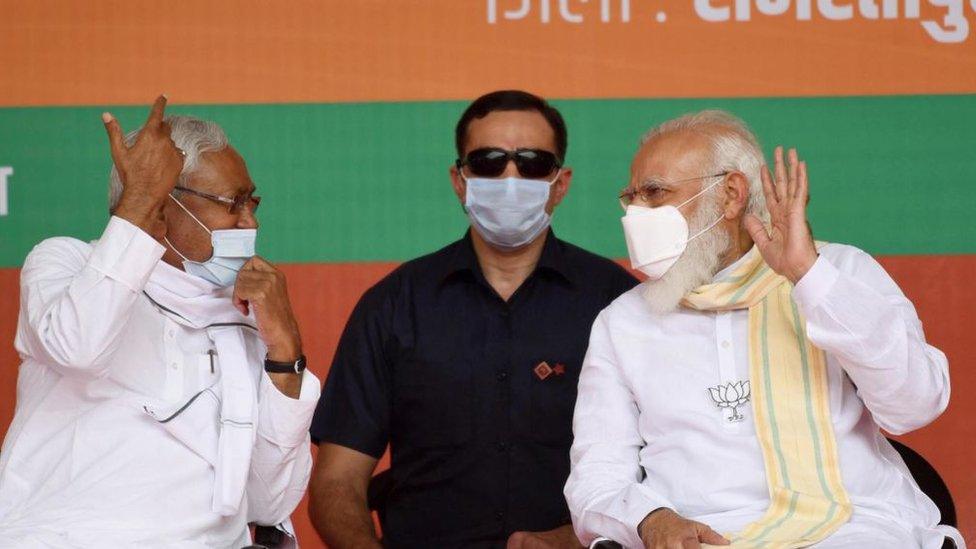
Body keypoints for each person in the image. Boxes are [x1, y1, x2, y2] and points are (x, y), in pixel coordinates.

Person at [564, 110, 963, 549]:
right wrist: (650, 519)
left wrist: (808, 278)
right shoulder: (625, 322)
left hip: (856, 529)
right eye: (631, 197)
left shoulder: (838, 272)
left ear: (731, 195)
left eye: (655, 193)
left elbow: (915, 405)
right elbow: (596, 475)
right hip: (704, 536)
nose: (637, 213)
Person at [308, 90, 637, 548]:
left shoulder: (617, 303)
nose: (509, 177)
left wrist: (574, 540)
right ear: (459, 181)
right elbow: (336, 482)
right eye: (487, 162)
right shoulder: (393, 305)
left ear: (560, 184)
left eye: (532, 163)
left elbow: (661, 469)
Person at [0, 96, 320, 548]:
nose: (250, 221)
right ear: (167, 205)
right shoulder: (66, 262)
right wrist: (138, 205)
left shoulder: (244, 315)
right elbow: (79, 349)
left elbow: (268, 502)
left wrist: (285, 355)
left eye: (253, 202)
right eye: (234, 204)